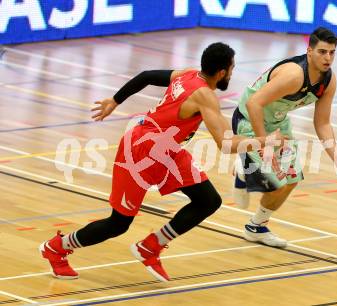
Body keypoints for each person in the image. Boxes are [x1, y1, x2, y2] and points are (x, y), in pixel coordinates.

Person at [39, 42, 285, 282]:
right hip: (141, 150)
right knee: (118, 223)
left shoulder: (188, 74)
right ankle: (56, 247)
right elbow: (226, 144)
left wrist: (115, 100)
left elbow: (146, 76)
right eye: (232, 69)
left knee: (208, 200)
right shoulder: (204, 96)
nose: (232, 73)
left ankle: (151, 246)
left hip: (167, 149)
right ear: (222, 72)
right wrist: (267, 141)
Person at [232, 27, 337, 248]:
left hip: (278, 123)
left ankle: (256, 226)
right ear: (309, 51)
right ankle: (244, 167)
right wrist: (264, 144)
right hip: (249, 118)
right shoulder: (294, 75)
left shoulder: (328, 81)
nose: (328, 58)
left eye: (332, 52)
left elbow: (322, 123)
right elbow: (253, 103)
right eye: (322, 52)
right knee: (273, 182)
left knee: (291, 180)